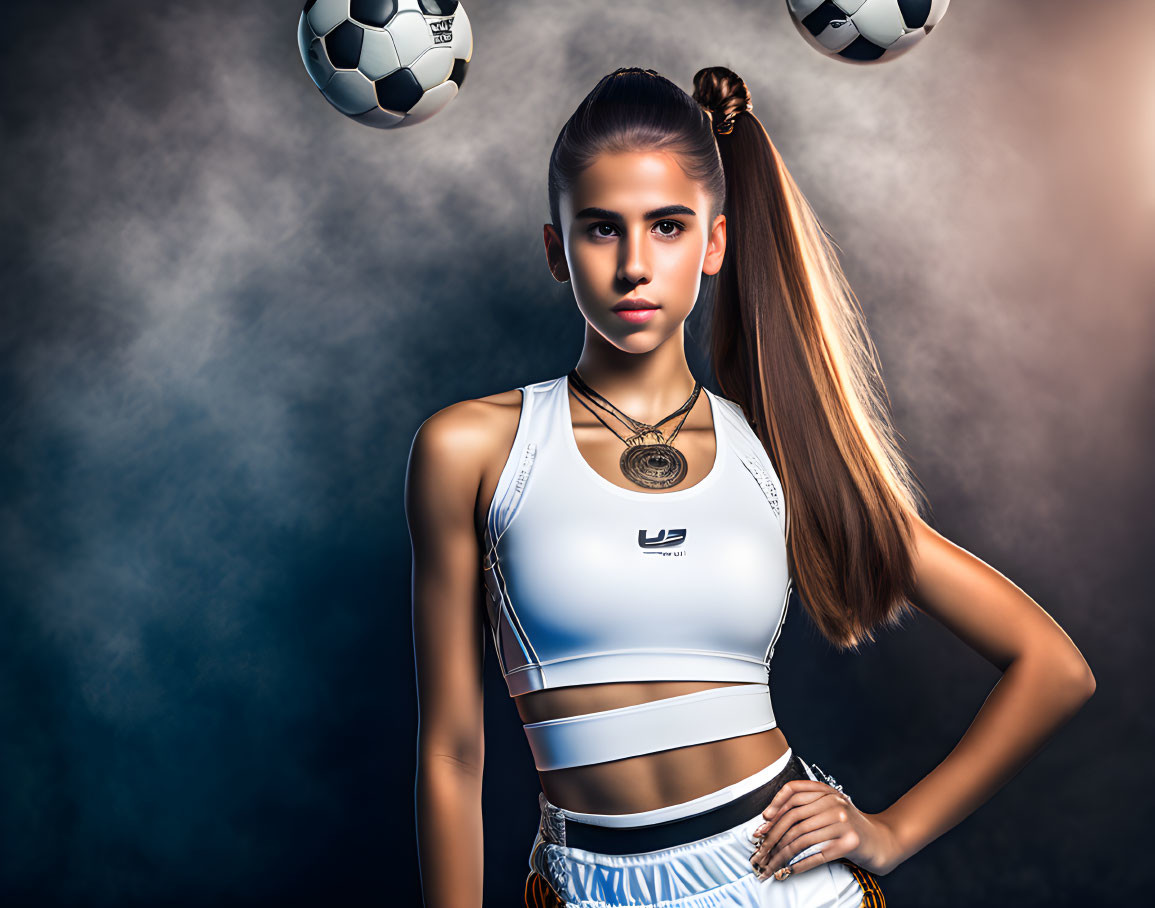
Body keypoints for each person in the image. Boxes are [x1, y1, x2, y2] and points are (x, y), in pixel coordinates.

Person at [406, 65, 1096, 908]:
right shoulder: (469, 447)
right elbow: (451, 750)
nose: (633, 266)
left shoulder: (775, 449)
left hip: (783, 883)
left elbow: (1051, 665)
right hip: (586, 886)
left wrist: (889, 831)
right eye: (599, 230)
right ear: (555, 249)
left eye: (666, 227)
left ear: (714, 243)